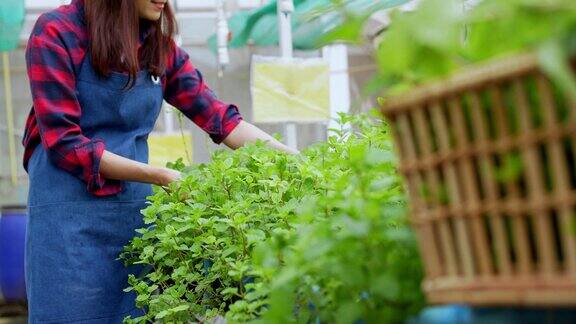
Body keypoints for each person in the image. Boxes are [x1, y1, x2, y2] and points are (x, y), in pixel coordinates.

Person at [23, 0, 295, 322]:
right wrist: (159, 176)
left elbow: (220, 119)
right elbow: (63, 142)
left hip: (131, 215)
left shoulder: (156, 46)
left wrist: (299, 164)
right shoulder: (58, 32)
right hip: (68, 221)